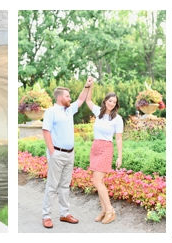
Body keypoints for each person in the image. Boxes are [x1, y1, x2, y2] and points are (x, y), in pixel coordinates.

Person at [40, 78, 93, 228]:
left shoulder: (69, 110)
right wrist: (52, 152)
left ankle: (64, 213)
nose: (70, 98)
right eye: (67, 96)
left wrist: (86, 86)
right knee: (52, 186)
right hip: (57, 154)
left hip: (70, 154)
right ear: (59, 97)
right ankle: (46, 216)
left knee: (65, 185)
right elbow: (46, 131)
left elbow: (81, 99)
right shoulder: (51, 112)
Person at [84, 78, 124, 224]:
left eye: (114, 102)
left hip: (106, 148)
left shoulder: (117, 119)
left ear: (116, 104)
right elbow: (88, 100)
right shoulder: (98, 113)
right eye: (110, 100)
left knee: (97, 180)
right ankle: (103, 210)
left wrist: (119, 157)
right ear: (105, 101)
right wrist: (91, 85)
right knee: (98, 181)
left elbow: (118, 139)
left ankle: (110, 211)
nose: (112, 103)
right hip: (95, 147)